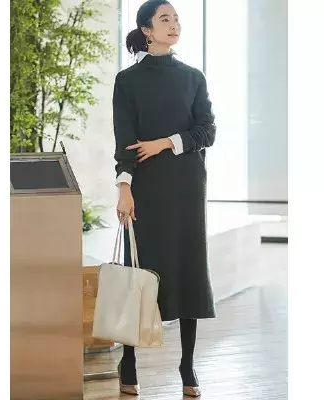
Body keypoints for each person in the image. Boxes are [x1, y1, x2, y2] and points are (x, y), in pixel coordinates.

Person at [112, 0, 216, 397]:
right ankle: (129, 360)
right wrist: (124, 188)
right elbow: (125, 141)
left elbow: (207, 132)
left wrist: (164, 143)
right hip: (146, 191)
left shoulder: (193, 77)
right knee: (138, 273)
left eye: (176, 19)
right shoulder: (128, 81)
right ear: (146, 29)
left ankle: (187, 364)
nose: (174, 25)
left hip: (186, 187)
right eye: (165, 19)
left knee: (188, 270)